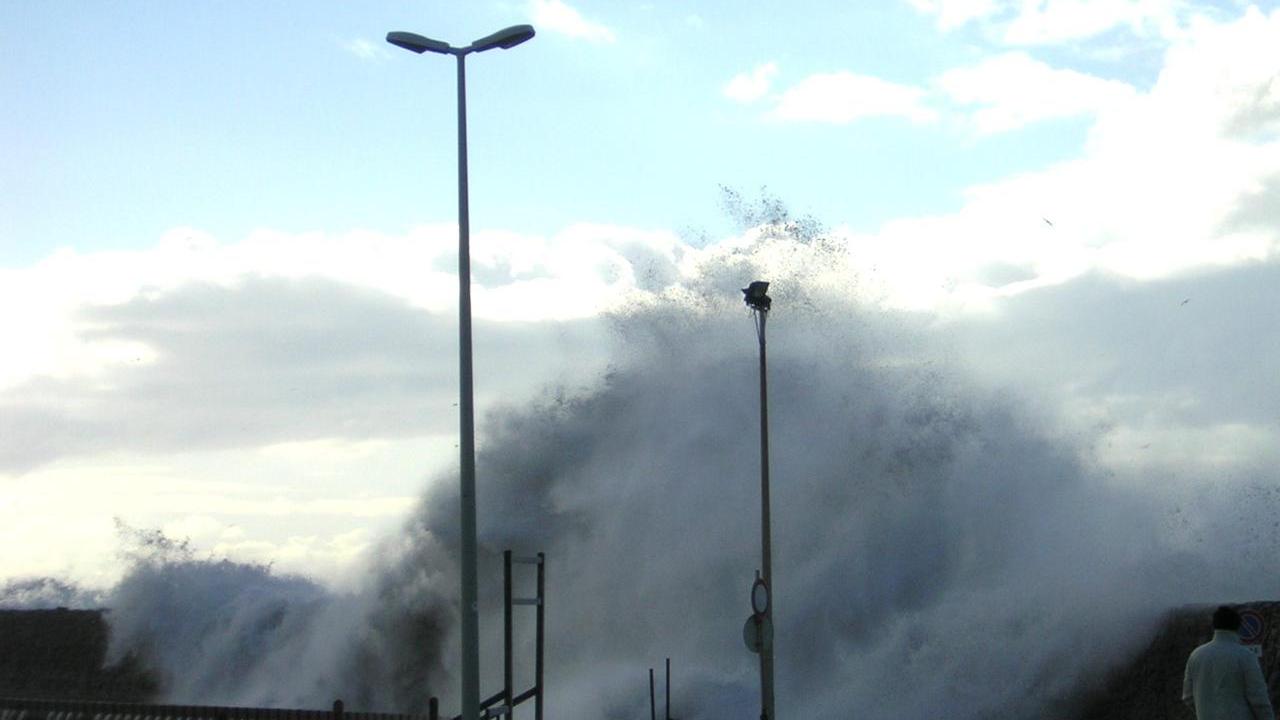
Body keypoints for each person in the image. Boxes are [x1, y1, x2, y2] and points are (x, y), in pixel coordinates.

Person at [1183, 605, 1274, 720]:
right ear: (1238, 626)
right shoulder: (1245, 656)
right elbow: (1258, 699)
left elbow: (1188, 696)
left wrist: (1205, 711)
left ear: (1214, 625)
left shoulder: (1196, 655)